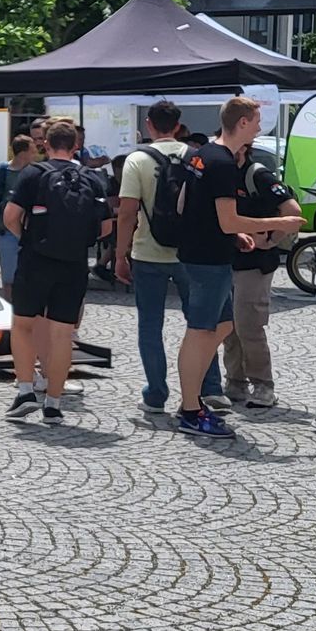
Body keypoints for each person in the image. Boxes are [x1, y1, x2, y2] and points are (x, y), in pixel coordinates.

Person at [171, 96, 303, 440]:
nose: (260, 128)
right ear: (242, 122)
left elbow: (189, 206)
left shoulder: (202, 153)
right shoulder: (222, 162)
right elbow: (227, 219)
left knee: (221, 326)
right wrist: (279, 222)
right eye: (257, 121)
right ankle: (189, 408)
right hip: (206, 261)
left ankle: (191, 400)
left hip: (208, 254)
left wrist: (236, 235)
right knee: (200, 333)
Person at [116, 99, 225, 416]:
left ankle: (156, 394)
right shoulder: (195, 157)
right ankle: (209, 387)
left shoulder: (137, 160)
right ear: (178, 126)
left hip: (148, 252)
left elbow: (126, 213)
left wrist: (121, 254)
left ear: (149, 123)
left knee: (150, 326)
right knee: (202, 325)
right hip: (190, 254)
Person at [4, 122, 112, 426]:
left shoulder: (34, 174)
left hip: (36, 260)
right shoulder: (92, 177)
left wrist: (26, 238)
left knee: (23, 326)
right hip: (74, 263)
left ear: (45, 145)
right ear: (75, 145)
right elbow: (106, 227)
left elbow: (11, 216)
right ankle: (53, 404)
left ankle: (26, 390)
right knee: (63, 334)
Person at [223, 139, 301, 410]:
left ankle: (263, 385)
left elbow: (292, 211)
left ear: (243, 148)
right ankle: (234, 381)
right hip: (227, 260)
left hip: (255, 263)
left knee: (248, 325)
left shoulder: (258, 175)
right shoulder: (221, 174)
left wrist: (270, 238)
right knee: (229, 327)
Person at [0, 134, 37, 292]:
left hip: (29, 230)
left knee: (30, 274)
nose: (35, 155)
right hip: (6, 230)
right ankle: (10, 310)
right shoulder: (2, 171)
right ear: (23, 153)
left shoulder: (34, 172)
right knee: (8, 277)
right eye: (32, 151)